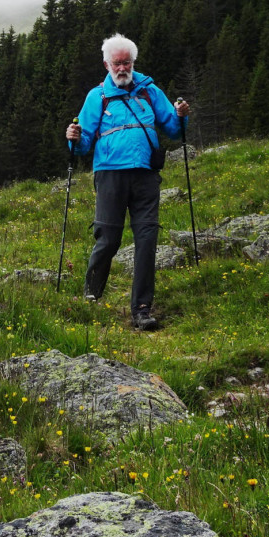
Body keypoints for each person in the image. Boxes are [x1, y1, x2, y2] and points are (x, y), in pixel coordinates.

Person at [65, 34, 190, 330]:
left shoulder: (150, 91)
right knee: (108, 238)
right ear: (107, 64)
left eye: (127, 62)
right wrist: (74, 137)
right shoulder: (97, 97)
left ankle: (142, 310)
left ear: (133, 62)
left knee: (146, 239)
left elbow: (173, 129)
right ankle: (91, 295)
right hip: (109, 174)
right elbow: (83, 144)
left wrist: (181, 116)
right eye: (117, 63)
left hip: (146, 174)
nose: (122, 68)